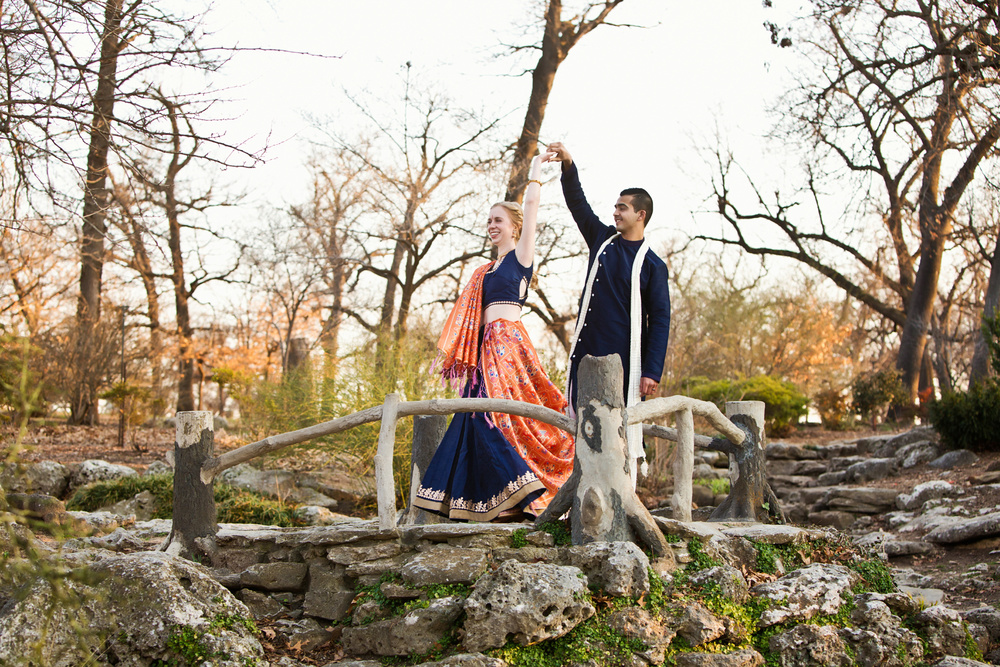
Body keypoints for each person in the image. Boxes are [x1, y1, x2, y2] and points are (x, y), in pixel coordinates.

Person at [413, 153, 575, 521]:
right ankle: (488, 504)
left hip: (508, 348)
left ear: (516, 227)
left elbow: (532, 204)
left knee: (498, 416)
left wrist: (535, 168)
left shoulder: (521, 257)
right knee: (475, 416)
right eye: (488, 221)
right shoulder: (485, 270)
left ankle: (526, 495)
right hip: (483, 350)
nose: (491, 225)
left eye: (498, 220)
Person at [546, 141, 671, 482]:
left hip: (624, 366)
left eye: (622, 208)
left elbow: (660, 320)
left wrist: (651, 371)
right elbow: (578, 204)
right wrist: (569, 164)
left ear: (640, 214)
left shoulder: (652, 265)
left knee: (618, 437)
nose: (615, 212)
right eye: (615, 207)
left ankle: (621, 500)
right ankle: (580, 499)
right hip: (586, 356)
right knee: (582, 431)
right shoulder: (602, 241)